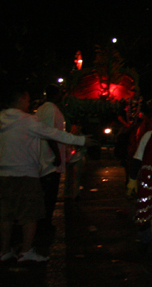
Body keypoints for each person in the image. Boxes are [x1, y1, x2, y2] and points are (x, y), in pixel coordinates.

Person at [1, 85, 97, 263]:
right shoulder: (27, 120)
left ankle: (4, 250)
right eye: (28, 100)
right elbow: (53, 133)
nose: (29, 103)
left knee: (6, 215)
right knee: (29, 215)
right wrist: (81, 140)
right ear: (21, 98)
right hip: (25, 173)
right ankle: (26, 250)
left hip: (4, 174)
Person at [35, 84, 66, 237]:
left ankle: (44, 222)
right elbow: (49, 133)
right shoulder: (50, 109)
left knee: (47, 194)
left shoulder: (43, 109)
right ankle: (45, 224)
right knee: (49, 194)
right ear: (56, 94)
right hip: (48, 159)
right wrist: (57, 154)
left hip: (45, 157)